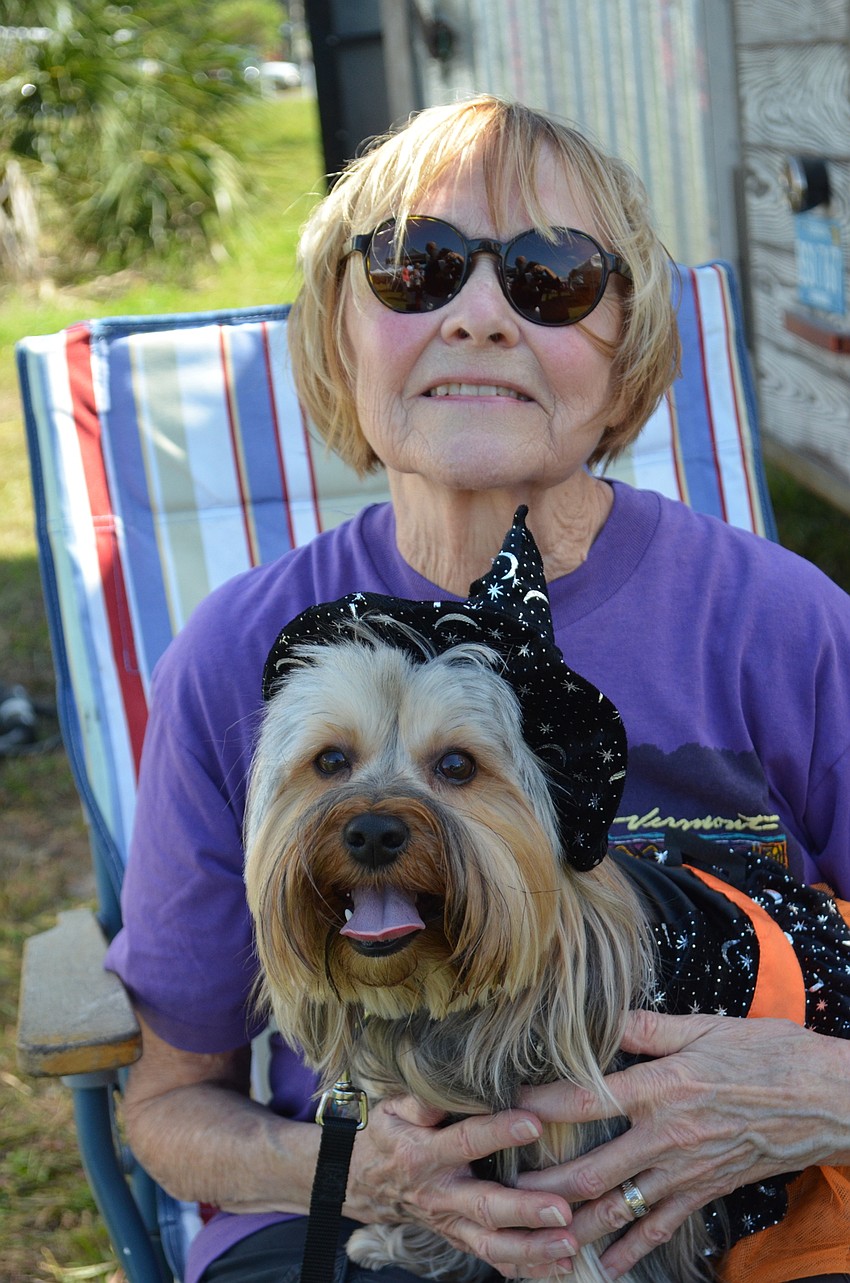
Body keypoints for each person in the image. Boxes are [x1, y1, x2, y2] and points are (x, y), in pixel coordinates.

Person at [105, 95, 850, 1283]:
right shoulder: (236, 649)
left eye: (551, 279)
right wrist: (361, 1171)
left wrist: (813, 1092)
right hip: (357, 1221)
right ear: (339, 333)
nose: (478, 318)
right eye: (416, 268)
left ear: (627, 356)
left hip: (757, 1210)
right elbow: (167, 1104)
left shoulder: (778, 624)